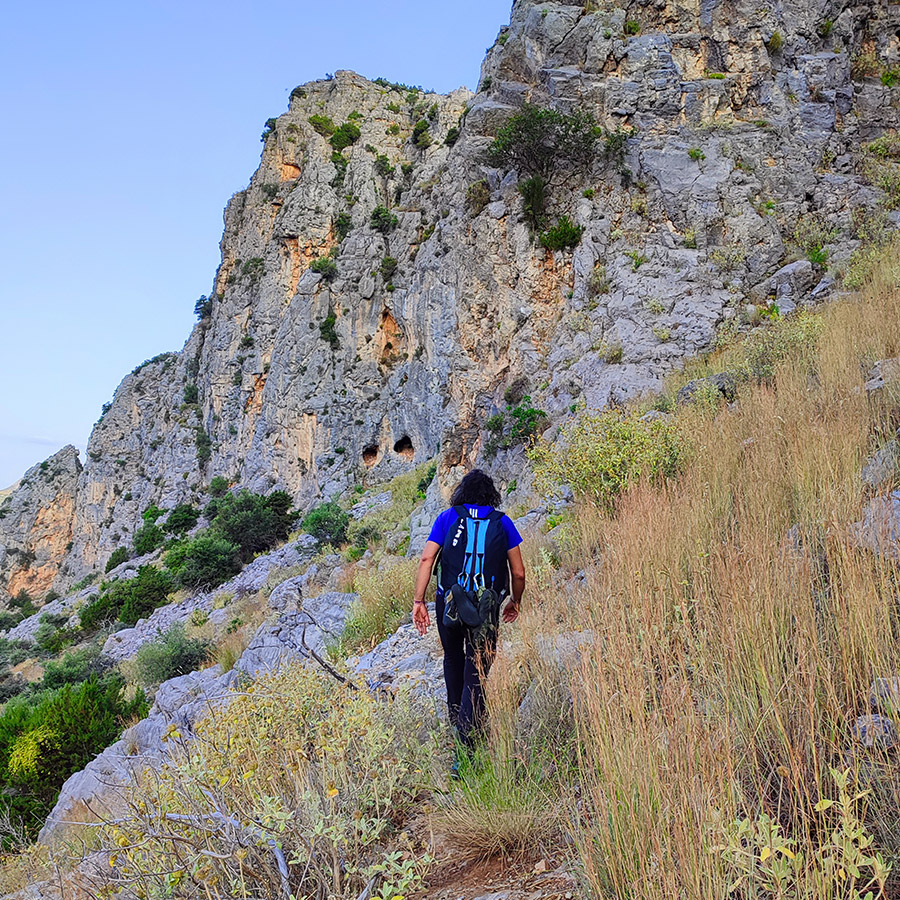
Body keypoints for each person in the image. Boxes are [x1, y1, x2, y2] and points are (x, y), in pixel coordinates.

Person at [412, 469, 526, 768]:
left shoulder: (447, 518)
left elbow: (427, 558)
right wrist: (515, 600)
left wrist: (418, 601)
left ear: (462, 493)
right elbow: (518, 572)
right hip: (486, 606)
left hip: (448, 599)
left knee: (452, 657)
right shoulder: (502, 522)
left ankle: (457, 719)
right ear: (491, 495)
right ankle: (466, 744)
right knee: (477, 668)